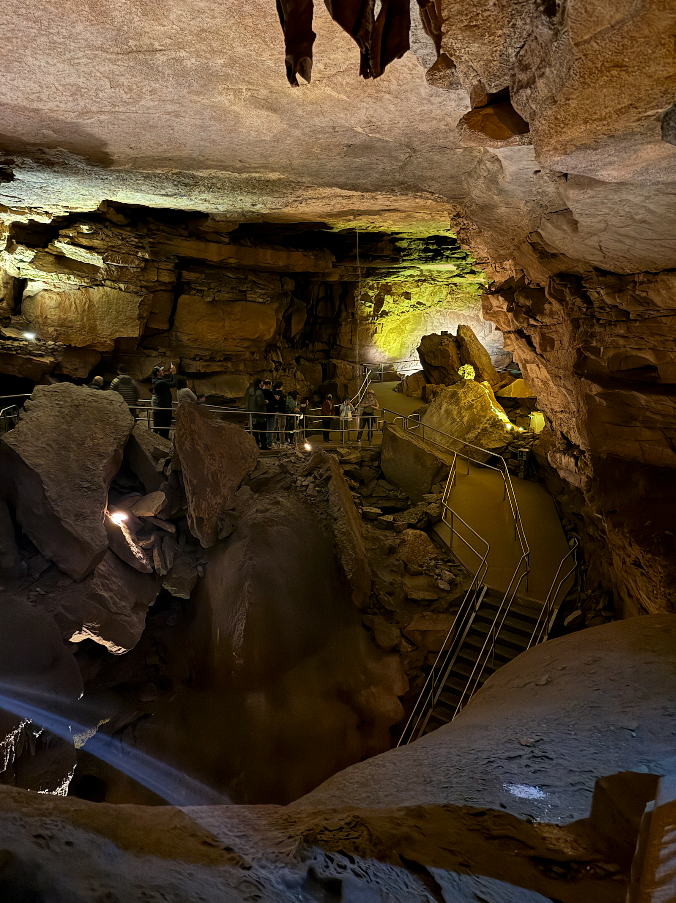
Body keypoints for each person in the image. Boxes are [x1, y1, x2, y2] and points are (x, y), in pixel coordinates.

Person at [151, 362, 177, 439]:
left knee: (161, 424)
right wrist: (174, 373)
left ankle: (162, 438)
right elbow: (173, 383)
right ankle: (163, 439)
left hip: (162, 406)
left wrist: (172, 374)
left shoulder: (158, 381)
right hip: (163, 407)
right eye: (161, 371)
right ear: (158, 373)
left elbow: (169, 380)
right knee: (165, 424)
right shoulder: (160, 382)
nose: (163, 372)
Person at [245, 378, 267, 448]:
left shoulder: (250, 391)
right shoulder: (259, 392)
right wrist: (265, 402)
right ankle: (264, 445)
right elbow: (260, 402)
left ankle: (256, 445)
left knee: (255, 431)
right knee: (262, 431)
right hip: (260, 414)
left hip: (252, 414)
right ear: (259, 383)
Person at [262, 379, 276, 450]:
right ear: (268, 385)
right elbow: (274, 402)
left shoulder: (260, 392)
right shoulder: (270, 393)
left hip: (262, 412)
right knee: (270, 428)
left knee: (263, 428)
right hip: (270, 412)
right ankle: (269, 442)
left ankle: (263, 442)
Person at [272, 380, 286, 447]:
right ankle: (282, 442)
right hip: (281, 412)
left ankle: (273, 441)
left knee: (274, 427)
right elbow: (283, 404)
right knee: (281, 428)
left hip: (275, 411)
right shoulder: (281, 394)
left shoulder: (272, 393)